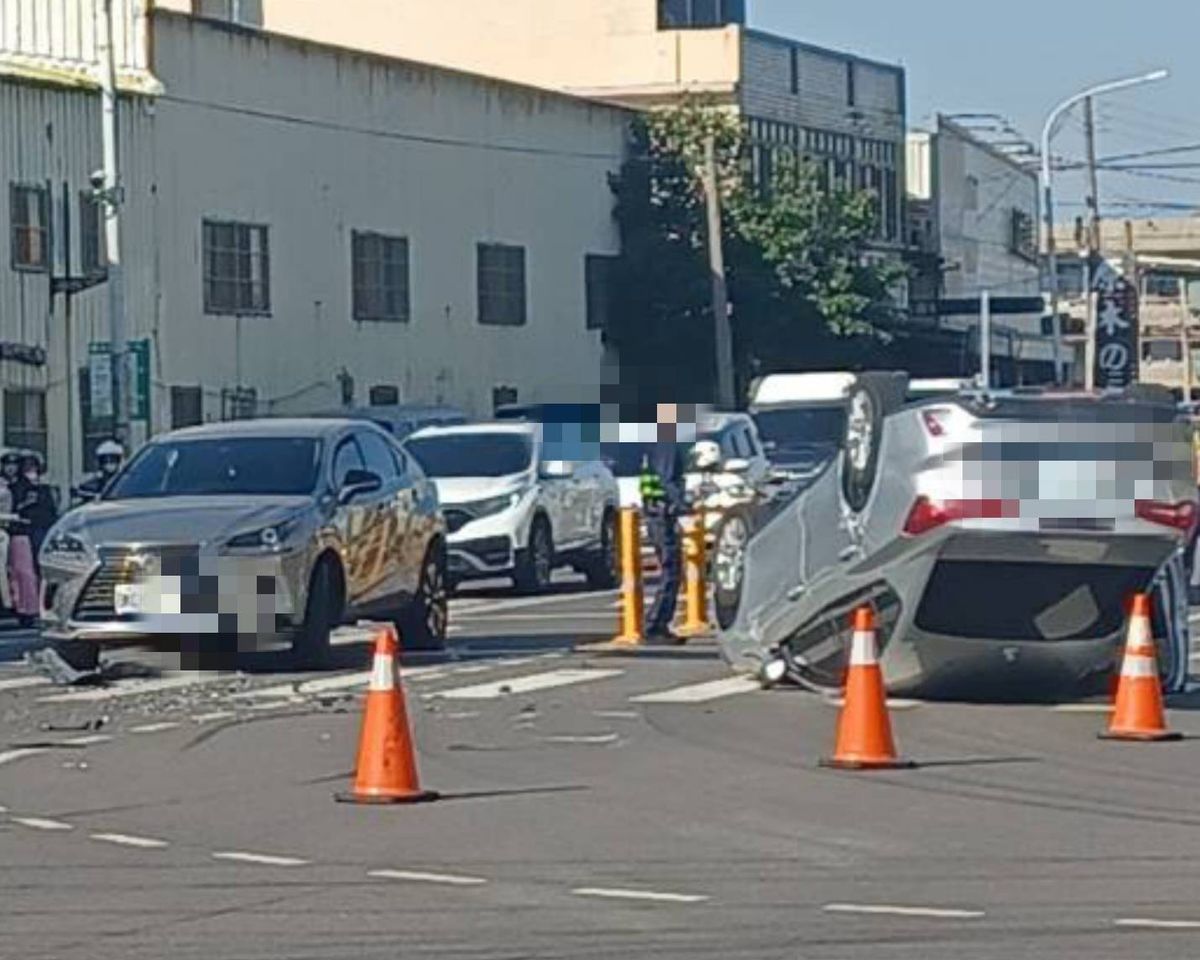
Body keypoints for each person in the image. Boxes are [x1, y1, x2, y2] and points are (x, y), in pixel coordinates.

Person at [640, 403, 695, 643]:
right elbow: (667, 478)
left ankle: (657, 624)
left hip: (657, 510)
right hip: (661, 512)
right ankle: (655, 625)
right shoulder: (666, 443)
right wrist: (683, 505)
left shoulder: (655, 441)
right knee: (671, 570)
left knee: (671, 569)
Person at [9, 453, 57, 627]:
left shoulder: (45, 489)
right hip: (23, 531)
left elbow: (51, 511)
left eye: (33, 467)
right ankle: (28, 610)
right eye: (27, 467)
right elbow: (15, 509)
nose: (31, 470)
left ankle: (48, 606)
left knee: (45, 568)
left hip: (43, 529)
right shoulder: (16, 488)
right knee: (26, 572)